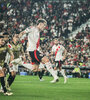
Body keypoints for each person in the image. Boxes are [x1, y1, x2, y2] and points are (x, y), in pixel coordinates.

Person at [19, 19, 59, 83]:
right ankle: (55, 77)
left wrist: (40, 50)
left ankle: (21, 63)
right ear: (40, 24)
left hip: (34, 50)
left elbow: (36, 43)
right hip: (33, 50)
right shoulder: (32, 28)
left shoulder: (38, 31)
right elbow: (23, 32)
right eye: (44, 25)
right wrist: (18, 39)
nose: (44, 27)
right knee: (46, 60)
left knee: (35, 69)